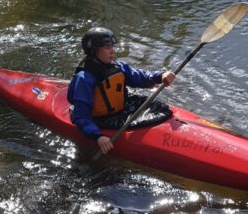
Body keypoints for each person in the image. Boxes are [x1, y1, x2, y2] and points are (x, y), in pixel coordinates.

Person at [67, 27, 176, 155]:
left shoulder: (118, 67)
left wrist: (161, 76)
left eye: (113, 46)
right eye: (107, 48)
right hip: (101, 121)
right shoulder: (85, 79)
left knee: (159, 107)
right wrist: (97, 136)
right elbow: (81, 115)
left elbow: (140, 77)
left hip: (121, 111)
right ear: (94, 51)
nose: (113, 51)